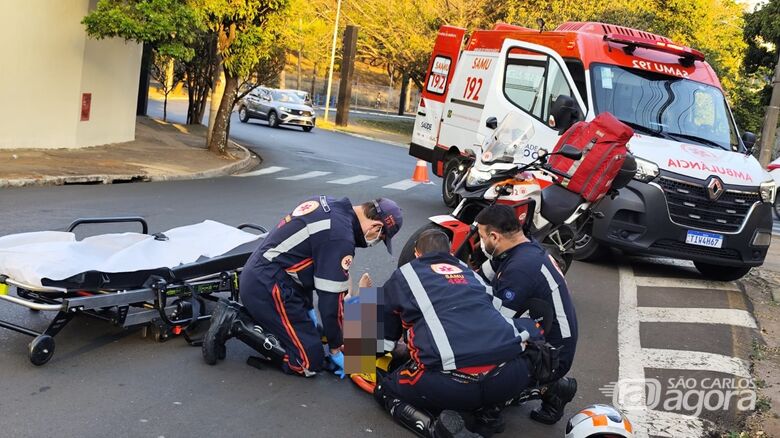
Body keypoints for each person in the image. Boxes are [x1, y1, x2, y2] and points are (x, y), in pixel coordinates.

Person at [202, 196, 403, 378]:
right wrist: (335, 346)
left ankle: (268, 320)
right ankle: (235, 321)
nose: (374, 241)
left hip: (268, 275)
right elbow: (329, 300)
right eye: (380, 238)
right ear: (376, 228)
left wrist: (308, 310)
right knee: (308, 363)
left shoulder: (332, 206)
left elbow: (303, 264)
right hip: (268, 286)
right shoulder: (340, 237)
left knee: (315, 334)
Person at [374, 229, 544, 438]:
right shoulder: (472, 274)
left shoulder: (404, 275)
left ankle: (439, 430)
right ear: (450, 253)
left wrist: (357, 352)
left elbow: (381, 343)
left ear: (417, 253)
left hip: (453, 386)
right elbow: (497, 316)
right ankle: (490, 413)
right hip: (508, 377)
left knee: (385, 390)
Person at [475, 204, 579, 425]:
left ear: (494, 236)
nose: (480, 243)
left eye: (482, 237)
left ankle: (544, 388)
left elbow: (496, 325)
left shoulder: (521, 268)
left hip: (552, 357)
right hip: (547, 339)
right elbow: (477, 278)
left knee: (476, 363)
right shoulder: (520, 248)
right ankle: (543, 386)